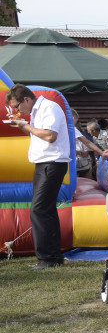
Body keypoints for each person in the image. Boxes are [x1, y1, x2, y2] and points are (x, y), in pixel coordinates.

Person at [5, 84, 72, 269]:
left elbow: (50, 135)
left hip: (53, 163)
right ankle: (53, 256)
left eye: (17, 106)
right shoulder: (35, 111)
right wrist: (21, 126)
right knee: (46, 210)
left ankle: (47, 258)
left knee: (39, 209)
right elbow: (37, 135)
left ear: (26, 99)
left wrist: (26, 125)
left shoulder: (49, 107)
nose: (17, 110)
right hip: (44, 163)